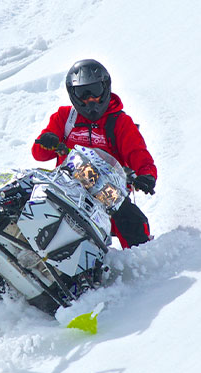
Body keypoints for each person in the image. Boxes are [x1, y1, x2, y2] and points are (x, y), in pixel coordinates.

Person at [32, 59, 157, 249]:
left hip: (107, 192)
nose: (90, 99)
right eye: (83, 93)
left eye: (95, 91)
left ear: (105, 88)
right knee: (33, 207)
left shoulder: (120, 122)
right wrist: (47, 141)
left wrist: (146, 175)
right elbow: (38, 154)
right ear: (73, 95)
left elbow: (138, 153)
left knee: (131, 221)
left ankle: (140, 261)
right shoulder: (65, 118)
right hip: (66, 188)